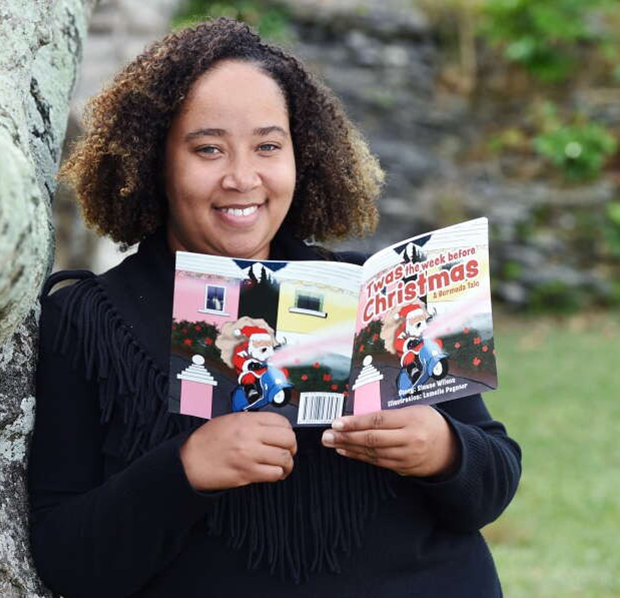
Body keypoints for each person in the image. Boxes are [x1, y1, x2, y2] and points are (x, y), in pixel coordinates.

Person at [28, 18, 521, 598]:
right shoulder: (89, 321)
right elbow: (67, 559)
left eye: (268, 146)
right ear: (153, 162)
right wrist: (183, 469)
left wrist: (445, 449)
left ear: (301, 156)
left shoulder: (377, 289)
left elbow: (495, 480)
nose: (242, 178)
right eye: (208, 149)